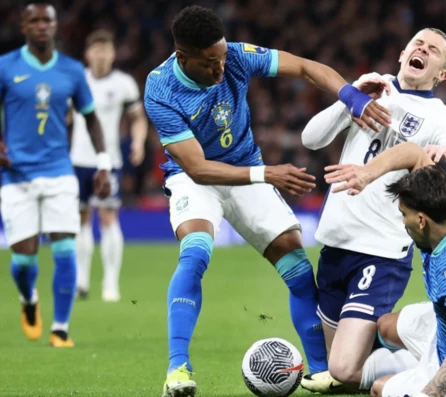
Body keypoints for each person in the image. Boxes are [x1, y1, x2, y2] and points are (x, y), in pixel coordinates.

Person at [142, 5, 391, 397]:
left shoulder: (236, 56)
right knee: (195, 254)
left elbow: (307, 67)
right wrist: (268, 173)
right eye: (209, 64)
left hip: (246, 169)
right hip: (197, 179)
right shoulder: (160, 89)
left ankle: (322, 373)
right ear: (182, 57)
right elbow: (198, 168)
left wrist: (349, 95)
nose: (221, 69)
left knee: (297, 268)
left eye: (222, 57)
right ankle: (178, 370)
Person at [300, 28, 446, 393]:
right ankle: (407, 342)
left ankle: (437, 363)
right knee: (339, 362)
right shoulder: (372, 89)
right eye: (418, 44)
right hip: (337, 242)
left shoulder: (438, 116)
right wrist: (349, 97)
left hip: (383, 251)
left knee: (342, 369)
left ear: (441, 75)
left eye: (433, 51)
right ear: (402, 54)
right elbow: (311, 138)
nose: (423, 49)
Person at [324, 142, 446, 397]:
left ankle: (423, 378)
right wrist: (367, 173)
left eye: (403, 213)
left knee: (379, 389)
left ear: (421, 220)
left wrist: (427, 394)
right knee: (385, 325)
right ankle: (414, 366)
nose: (402, 220)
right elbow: (414, 153)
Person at [0, 3, 110, 348]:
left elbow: (91, 118)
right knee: (23, 260)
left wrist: (103, 162)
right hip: (16, 176)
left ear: (56, 25)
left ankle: (60, 328)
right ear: (23, 27)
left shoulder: (72, 71)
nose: (41, 26)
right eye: (34, 20)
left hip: (60, 171)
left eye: (46, 19)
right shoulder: (5, 67)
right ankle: (29, 300)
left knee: (65, 249)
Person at [70, 29, 148, 303]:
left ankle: (110, 283)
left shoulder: (124, 83)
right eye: (96, 51)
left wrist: (138, 142)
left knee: (107, 217)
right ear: (88, 55)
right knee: (80, 218)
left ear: (113, 54)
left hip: (108, 161)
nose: (101, 56)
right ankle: (81, 280)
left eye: (106, 50)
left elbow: (138, 118)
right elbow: (64, 118)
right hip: (77, 159)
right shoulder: (76, 80)